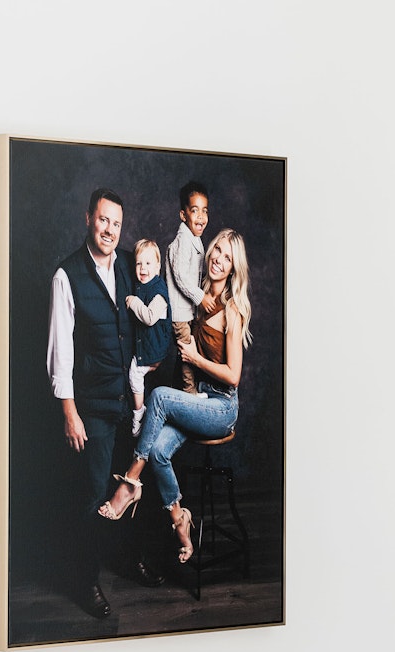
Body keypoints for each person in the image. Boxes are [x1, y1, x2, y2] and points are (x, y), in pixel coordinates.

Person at [98, 228, 252, 564]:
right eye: (217, 251)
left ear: (232, 268)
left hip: (221, 407)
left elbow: (233, 376)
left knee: (159, 399)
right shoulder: (194, 296)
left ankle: (130, 482)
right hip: (197, 398)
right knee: (158, 451)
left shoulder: (232, 310)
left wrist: (195, 359)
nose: (218, 259)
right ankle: (180, 519)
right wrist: (151, 361)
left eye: (227, 257)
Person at [47, 188, 164, 619]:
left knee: (132, 486)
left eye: (116, 222)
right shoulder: (67, 274)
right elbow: (61, 350)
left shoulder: (133, 264)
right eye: (102, 220)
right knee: (94, 492)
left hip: (128, 400)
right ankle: (86, 579)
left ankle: (129, 556)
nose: (110, 229)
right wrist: (69, 411)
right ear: (87, 219)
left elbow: (156, 308)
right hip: (92, 404)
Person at [165, 180, 216, 395]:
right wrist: (201, 297)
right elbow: (180, 275)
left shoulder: (195, 239)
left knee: (189, 350)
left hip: (187, 312)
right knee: (187, 353)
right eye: (194, 211)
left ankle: (187, 391)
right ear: (183, 215)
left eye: (204, 211)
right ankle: (190, 394)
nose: (201, 217)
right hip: (179, 312)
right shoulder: (184, 239)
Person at [126, 238, 172, 437]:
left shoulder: (159, 291)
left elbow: (150, 317)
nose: (143, 268)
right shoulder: (142, 284)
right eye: (138, 263)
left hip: (155, 350)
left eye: (148, 263)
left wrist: (133, 302)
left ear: (158, 266)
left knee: (134, 374)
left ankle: (139, 413)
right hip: (148, 344)